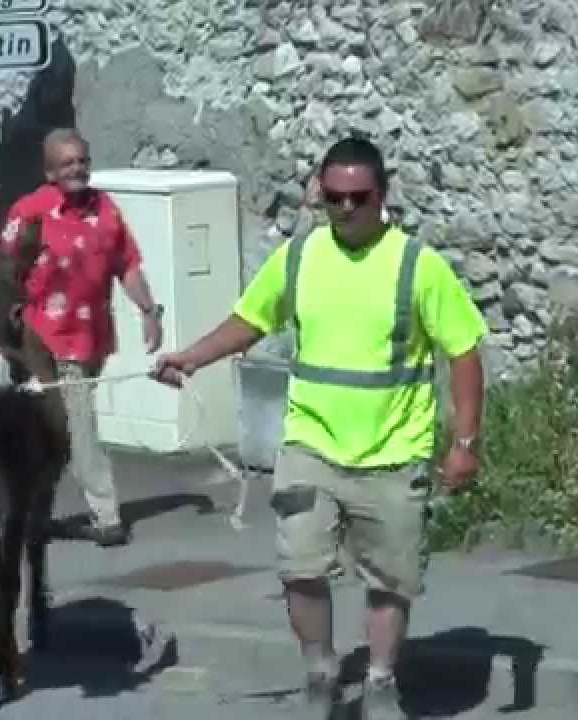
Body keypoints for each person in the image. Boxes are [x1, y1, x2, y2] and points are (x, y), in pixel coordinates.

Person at [152, 137, 487, 720]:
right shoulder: (300, 258)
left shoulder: (417, 265)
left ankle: (380, 681)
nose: (347, 209)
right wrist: (191, 357)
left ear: (381, 196)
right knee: (299, 568)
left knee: (390, 580)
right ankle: (320, 671)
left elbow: (463, 353)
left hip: (394, 450)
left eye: (360, 197)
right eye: (335, 198)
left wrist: (464, 442)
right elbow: (249, 320)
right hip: (311, 444)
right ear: (321, 197)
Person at [0, 128, 165, 547]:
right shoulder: (31, 210)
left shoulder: (105, 209)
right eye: (67, 163)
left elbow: (127, 265)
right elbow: (4, 268)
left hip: (88, 336)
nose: (77, 169)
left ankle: (69, 515)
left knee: (69, 426)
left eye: (82, 161)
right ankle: (94, 515)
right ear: (50, 171)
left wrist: (149, 311)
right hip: (40, 337)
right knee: (65, 426)